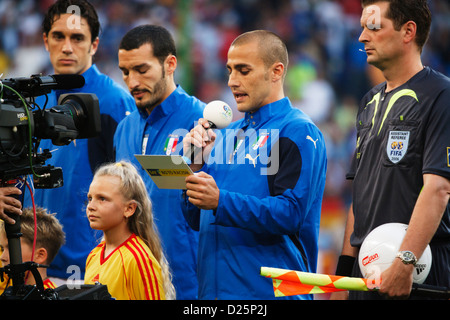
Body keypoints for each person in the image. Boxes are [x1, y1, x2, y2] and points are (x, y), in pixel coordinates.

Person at [181, 30, 327, 300]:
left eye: (243, 70)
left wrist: (220, 201)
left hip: (270, 294)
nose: (232, 81)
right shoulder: (225, 135)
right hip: (213, 294)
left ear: (276, 71)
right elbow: (194, 218)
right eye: (229, 70)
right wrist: (194, 167)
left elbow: (290, 213)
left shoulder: (296, 131)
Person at [333, 0, 450, 300]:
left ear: (408, 31)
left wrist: (405, 262)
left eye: (372, 26)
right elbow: (358, 199)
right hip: (365, 276)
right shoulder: (369, 101)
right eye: (361, 27)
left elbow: (438, 189)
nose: (361, 37)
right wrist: (342, 280)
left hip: (416, 276)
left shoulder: (442, 96)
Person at [23, 0, 135, 284]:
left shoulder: (114, 102)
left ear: (94, 44)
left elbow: (132, 189)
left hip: (87, 268)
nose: (67, 47)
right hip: (29, 262)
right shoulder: (30, 97)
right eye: (59, 36)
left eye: (78, 38)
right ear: (46, 40)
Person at [114, 24, 205, 299]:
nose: (132, 82)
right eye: (125, 72)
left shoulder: (202, 122)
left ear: (170, 64)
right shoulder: (124, 128)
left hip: (189, 285)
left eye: (142, 70)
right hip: (133, 281)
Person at [84, 161, 175, 300]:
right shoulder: (93, 256)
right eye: (90, 198)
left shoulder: (138, 259)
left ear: (129, 209)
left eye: (102, 199)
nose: (91, 206)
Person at [0, 206, 65, 293]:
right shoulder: (11, 291)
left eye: (11, 249)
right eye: (2, 248)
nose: (2, 257)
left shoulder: (50, 295)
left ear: (40, 255)